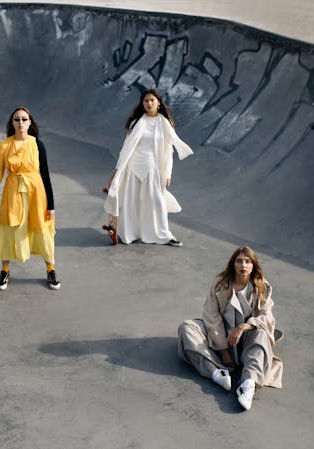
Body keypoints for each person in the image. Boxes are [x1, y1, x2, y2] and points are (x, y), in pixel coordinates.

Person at [177, 246, 283, 411]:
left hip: (247, 340)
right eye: (239, 261)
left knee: (262, 333)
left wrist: (243, 326)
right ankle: (216, 373)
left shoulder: (262, 286)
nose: (243, 265)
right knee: (187, 327)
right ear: (233, 264)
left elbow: (267, 317)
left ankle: (248, 384)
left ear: (253, 265)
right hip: (219, 339)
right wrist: (224, 349)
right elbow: (210, 315)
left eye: (248, 261)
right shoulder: (220, 284)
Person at [0, 107, 59, 290]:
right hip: (12, 195)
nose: (20, 123)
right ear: (12, 123)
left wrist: (50, 205)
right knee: (8, 230)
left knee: (42, 231)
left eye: (24, 119)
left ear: (30, 123)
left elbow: (45, 176)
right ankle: (5, 270)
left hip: (36, 194)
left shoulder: (38, 145)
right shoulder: (5, 145)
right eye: (17, 119)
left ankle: (50, 269)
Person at [103, 89, 193, 245]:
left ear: (158, 103)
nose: (149, 103)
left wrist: (168, 174)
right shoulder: (136, 123)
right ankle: (129, 234)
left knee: (156, 201)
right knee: (131, 201)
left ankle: (163, 235)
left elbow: (168, 151)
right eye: (146, 101)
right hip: (133, 166)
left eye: (152, 100)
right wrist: (116, 172)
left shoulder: (165, 123)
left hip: (152, 166)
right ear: (142, 104)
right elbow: (126, 148)